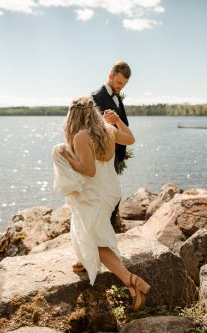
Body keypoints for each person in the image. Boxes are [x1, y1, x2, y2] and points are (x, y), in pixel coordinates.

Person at [58, 96, 150, 311]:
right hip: (111, 190)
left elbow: (88, 170)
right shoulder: (107, 130)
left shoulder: (81, 136)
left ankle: (132, 281)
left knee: (95, 239)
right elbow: (130, 139)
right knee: (90, 228)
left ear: (73, 115)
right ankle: (85, 259)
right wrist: (117, 120)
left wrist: (66, 156)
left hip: (95, 193)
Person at [92, 61, 131, 231]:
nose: (120, 87)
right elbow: (90, 129)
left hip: (114, 158)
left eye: (124, 84)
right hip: (102, 158)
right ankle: (104, 236)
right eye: (119, 82)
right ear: (110, 76)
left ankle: (109, 234)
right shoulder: (95, 97)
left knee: (113, 197)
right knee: (107, 198)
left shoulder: (116, 96)